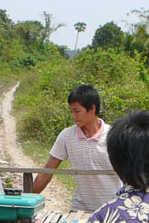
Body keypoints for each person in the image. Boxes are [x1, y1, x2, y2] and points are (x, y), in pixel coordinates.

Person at [32, 84, 122, 212]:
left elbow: (129, 175)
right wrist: (26, 200)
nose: (73, 116)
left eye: (77, 111)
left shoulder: (114, 136)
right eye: (71, 112)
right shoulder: (67, 136)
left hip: (112, 210)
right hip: (79, 210)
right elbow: (47, 171)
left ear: (91, 109)